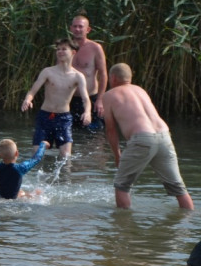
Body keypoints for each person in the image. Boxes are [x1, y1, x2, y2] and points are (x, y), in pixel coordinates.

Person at [100, 63, 193, 210]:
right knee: (178, 187)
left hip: (141, 138)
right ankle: (187, 225)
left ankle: (123, 227)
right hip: (164, 136)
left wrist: (117, 155)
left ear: (112, 78)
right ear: (130, 77)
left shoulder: (109, 95)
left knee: (122, 185)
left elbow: (111, 130)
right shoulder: (140, 90)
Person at [20, 38, 91, 158]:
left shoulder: (78, 76)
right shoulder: (48, 72)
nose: (60, 52)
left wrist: (88, 112)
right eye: (58, 49)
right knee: (37, 154)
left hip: (64, 118)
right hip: (45, 116)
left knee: (65, 156)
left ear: (73, 52)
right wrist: (28, 99)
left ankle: (64, 177)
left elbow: (86, 99)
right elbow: (32, 91)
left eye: (64, 49)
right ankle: (37, 176)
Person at [68, 14, 108, 128]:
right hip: (69, 99)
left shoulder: (95, 48)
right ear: (71, 28)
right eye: (75, 26)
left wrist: (100, 99)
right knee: (67, 135)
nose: (77, 29)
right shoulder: (65, 48)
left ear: (88, 29)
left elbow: (103, 74)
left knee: (94, 137)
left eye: (80, 27)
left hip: (91, 99)